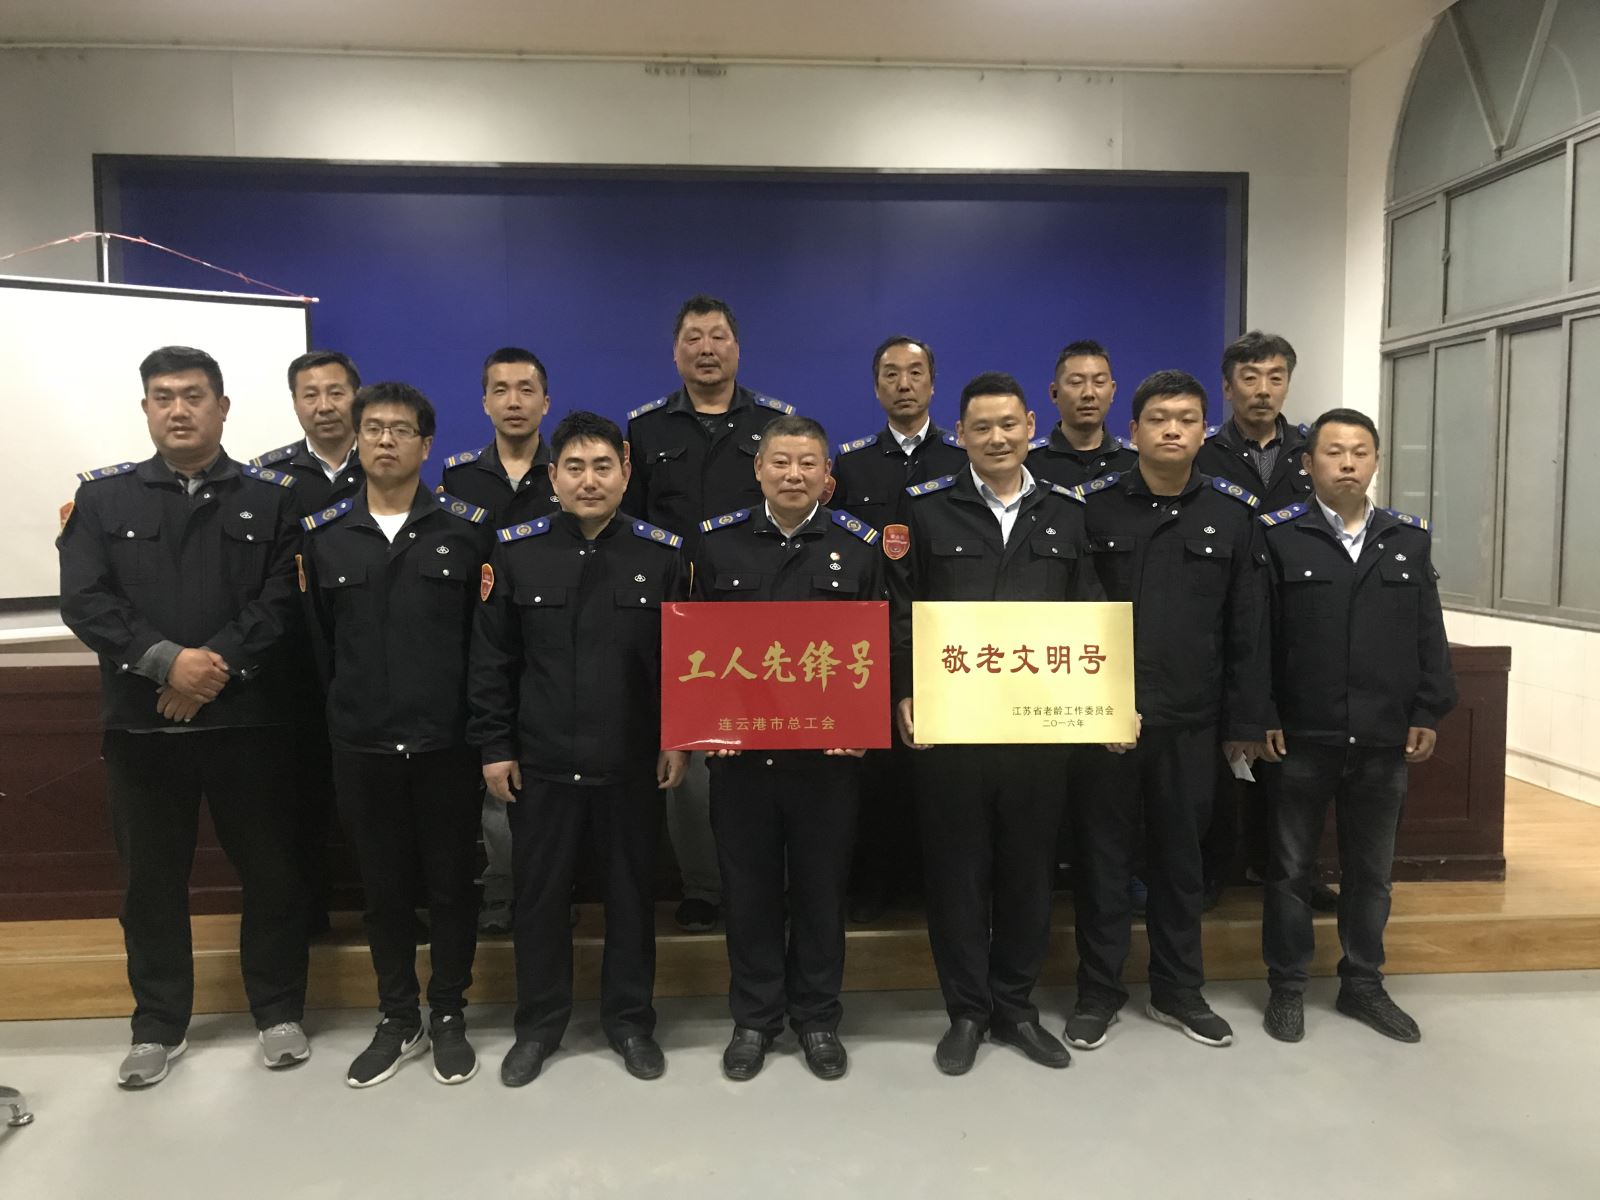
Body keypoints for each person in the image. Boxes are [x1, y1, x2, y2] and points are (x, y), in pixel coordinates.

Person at [58, 345, 310, 1088]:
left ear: (221, 407)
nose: (178, 410)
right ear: (146, 408)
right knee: (150, 883)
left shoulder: (272, 497)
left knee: (271, 872)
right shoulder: (103, 499)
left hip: (249, 723)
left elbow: (283, 601)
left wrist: (210, 670)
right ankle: (158, 1025)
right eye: (163, 397)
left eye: (194, 396)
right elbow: (86, 601)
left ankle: (278, 1011)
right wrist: (167, 662)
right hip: (144, 725)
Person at [887, 371, 1101, 1076]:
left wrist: (1106, 697)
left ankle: (1015, 1007)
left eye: (1009, 424)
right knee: (957, 874)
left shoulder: (1066, 511)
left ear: (1031, 425)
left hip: (1038, 730)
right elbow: (899, 609)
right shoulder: (926, 508)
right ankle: (967, 1012)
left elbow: (1090, 610)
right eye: (981, 427)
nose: (998, 438)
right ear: (961, 435)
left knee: (1028, 873)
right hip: (952, 729)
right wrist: (905, 691)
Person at [470, 412, 689, 1087]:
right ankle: (539, 1027)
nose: (588, 481)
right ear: (552, 476)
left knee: (631, 899)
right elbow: (492, 659)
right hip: (540, 763)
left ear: (624, 473)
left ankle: (630, 1023)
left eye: (602, 467)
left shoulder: (662, 554)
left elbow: (683, 662)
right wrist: (495, 745)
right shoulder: (516, 551)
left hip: (631, 762)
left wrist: (676, 737)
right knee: (538, 902)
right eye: (574, 467)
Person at [1072, 369, 1272, 1051]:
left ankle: (1178, 990)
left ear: (1203, 432)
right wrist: (1091, 706)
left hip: (1192, 720)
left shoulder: (1232, 513)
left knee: (1181, 863)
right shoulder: (1093, 509)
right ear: (1133, 431)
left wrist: (1243, 724)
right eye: (1158, 419)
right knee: (1102, 860)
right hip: (1106, 722)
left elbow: (1248, 626)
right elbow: (1071, 614)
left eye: (1186, 419)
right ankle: (1098, 992)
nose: (1172, 430)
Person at [301, 381, 491, 1088]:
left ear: (426, 444)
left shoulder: (467, 531)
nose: (386, 440)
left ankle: (449, 1012)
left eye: (401, 429)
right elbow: (318, 646)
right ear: (356, 439)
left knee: (452, 886)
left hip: (447, 744)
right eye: (373, 428)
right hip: (363, 745)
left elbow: (485, 643)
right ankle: (396, 1014)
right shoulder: (325, 535)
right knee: (382, 891)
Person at [695, 414, 885, 1082]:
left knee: (820, 893)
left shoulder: (858, 546)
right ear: (758, 469)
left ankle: (817, 1018)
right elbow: (693, 649)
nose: (793, 475)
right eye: (780, 462)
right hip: (741, 761)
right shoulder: (715, 545)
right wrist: (707, 724)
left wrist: (862, 723)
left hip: (825, 763)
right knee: (747, 892)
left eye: (808, 463)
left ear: (827, 474)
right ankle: (754, 1019)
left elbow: (878, 646)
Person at [1258, 408, 1455, 1044]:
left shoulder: (1407, 538)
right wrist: (1261, 713)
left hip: (1382, 736)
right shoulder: (1278, 535)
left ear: (1375, 461)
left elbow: (1428, 631)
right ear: (1307, 463)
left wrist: (1426, 709)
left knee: (1371, 874)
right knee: (1290, 872)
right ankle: (1287, 985)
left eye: (1360, 452)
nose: (1347, 463)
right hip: (1301, 736)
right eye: (1334, 451)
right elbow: (1256, 637)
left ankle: (1363, 984)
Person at [622, 295, 794, 934]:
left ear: (737, 348)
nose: (706, 348)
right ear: (675, 352)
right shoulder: (645, 429)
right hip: (678, 614)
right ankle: (700, 885)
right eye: (693, 337)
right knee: (691, 752)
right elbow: (633, 524)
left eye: (718, 336)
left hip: (759, 614)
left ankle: (769, 881)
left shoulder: (775, 423)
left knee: (765, 750)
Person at [829, 335, 966, 924]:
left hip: (942, 637)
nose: (903, 384)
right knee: (872, 772)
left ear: (933, 383)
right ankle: (874, 887)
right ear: (876, 385)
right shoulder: (850, 464)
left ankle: (934, 888)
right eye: (891, 374)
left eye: (915, 373)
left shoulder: (962, 458)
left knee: (938, 770)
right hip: (868, 636)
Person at [1194, 331, 1327, 910]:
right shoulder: (1204, 453)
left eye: (1275, 377)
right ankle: (1214, 871)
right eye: (1249, 378)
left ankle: (1294, 872)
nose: (1263, 390)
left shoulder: (1311, 452)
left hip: (1300, 619)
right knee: (1222, 754)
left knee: (1296, 756)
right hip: (1227, 617)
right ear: (1228, 388)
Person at [438, 347, 561, 938]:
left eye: (526, 389)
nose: (514, 401)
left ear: (546, 402)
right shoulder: (459, 477)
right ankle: (501, 886)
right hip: (482, 642)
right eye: (501, 390)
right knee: (494, 771)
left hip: (553, 643)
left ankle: (553, 887)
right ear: (485, 402)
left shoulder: (568, 470)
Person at [250, 349, 365, 938]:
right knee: (297, 797)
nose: (324, 406)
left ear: (356, 397)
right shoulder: (267, 479)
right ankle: (308, 915)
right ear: (295, 404)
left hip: (367, 658)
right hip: (292, 663)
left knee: (374, 796)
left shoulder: (387, 462)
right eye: (310, 394)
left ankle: (390, 911)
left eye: (335, 392)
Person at [1026, 339, 1138, 488]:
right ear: (1054, 393)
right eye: (1076, 382)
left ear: (1112, 391)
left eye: (1099, 382)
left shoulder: (1136, 463)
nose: (1088, 393)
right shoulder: (1028, 463)